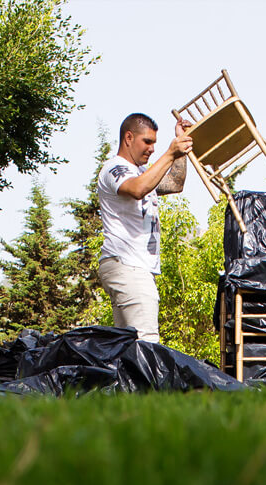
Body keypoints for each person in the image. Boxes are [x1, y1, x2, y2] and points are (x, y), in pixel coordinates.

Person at [97, 112, 193, 344]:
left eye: (155, 144)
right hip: (127, 265)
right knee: (147, 344)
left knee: (128, 347)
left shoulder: (141, 173)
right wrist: (170, 152)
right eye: (147, 142)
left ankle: (124, 381)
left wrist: (180, 149)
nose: (151, 149)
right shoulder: (115, 168)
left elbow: (175, 183)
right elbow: (137, 189)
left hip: (132, 266)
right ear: (128, 138)